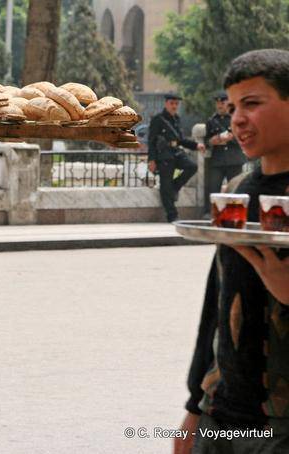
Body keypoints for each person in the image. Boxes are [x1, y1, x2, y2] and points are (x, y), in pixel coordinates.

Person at [175, 49, 289, 454]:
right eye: (234, 104)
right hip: (221, 416)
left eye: (253, 104)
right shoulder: (238, 191)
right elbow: (218, 301)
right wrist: (194, 406)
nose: (237, 118)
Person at [148, 93, 205, 222]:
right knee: (165, 186)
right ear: (166, 104)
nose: (174, 106)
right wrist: (151, 160)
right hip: (164, 156)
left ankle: (174, 187)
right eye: (172, 103)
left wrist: (196, 145)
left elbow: (181, 140)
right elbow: (151, 141)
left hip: (176, 153)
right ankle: (172, 215)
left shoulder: (176, 119)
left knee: (192, 167)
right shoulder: (158, 119)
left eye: (176, 104)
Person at [203, 90, 247, 217]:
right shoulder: (211, 121)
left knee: (235, 189)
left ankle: (236, 214)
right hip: (218, 160)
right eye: (217, 103)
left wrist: (230, 138)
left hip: (234, 159)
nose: (220, 105)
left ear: (228, 103)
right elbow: (206, 140)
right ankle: (211, 213)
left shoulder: (236, 118)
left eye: (222, 102)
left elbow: (244, 138)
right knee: (213, 187)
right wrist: (211, 141)